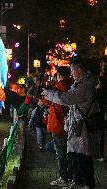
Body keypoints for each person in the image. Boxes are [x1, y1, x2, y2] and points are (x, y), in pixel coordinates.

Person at [42, 57, 100, 189]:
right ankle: (77, 181)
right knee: (75, 153)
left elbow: (67, 98)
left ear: (79, 69)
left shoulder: (84, 85)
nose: (72, 73)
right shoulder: (81, 83)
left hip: (82, 125)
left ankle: (87, 183)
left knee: (82, 154)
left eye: (73, 70)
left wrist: (49, 94)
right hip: (77, 124)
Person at [46, 67, 73, 187]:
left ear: (59, 75)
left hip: (59, 124)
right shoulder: (73, 86)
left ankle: (64, 177)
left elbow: (49, 102)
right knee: (70, 151)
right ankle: (71, 176)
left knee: (61, 152)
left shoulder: (58, 87)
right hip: (71, 124)